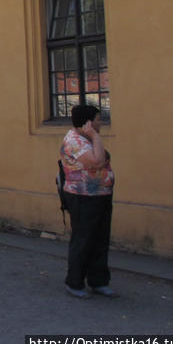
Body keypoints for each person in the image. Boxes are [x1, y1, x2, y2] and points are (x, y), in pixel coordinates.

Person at [60, 104, 116, 299]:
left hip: (100, 196)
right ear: (89, 123)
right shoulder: (75, 141)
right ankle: (74, 281)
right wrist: (95, 136)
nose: (101, 123)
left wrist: (93, 137)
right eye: (98, 119)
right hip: (82, 197)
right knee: (83, 240)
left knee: (100, 240)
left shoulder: (86, 139)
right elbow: (98, 161)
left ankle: (99, 281)